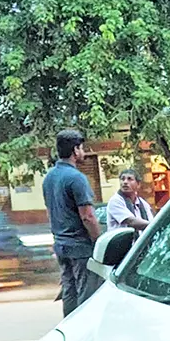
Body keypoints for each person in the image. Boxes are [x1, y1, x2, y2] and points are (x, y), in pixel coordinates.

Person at [42, 128, 102, 316]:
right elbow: (87, 216)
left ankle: (69, 324)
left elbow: (49, 211)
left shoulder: (49, 177)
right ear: (75, 150)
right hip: (79, 246)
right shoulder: (77, 178)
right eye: (81, 148)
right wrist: (98, 240)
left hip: (61, 244)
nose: (83, 152)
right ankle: (84, 326)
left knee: (69, 289)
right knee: (86, 290)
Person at [106, 168, 154, 234]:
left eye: (129, 179)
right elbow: (131, 221)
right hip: (121, 241)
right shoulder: (115, 201)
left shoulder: (143, 203)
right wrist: (154, 226)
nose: (125, 182)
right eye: (122, 179)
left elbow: (150, 220)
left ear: (138, 184)